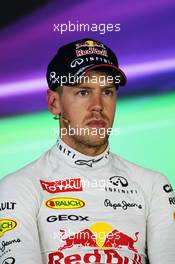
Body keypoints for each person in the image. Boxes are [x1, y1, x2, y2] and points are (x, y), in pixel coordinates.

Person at [0, 38, 175, 264]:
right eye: (83, 92)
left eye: (107, 92)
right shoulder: (17, 188)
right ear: (54, 103)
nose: (97, 105)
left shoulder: (154, 186)